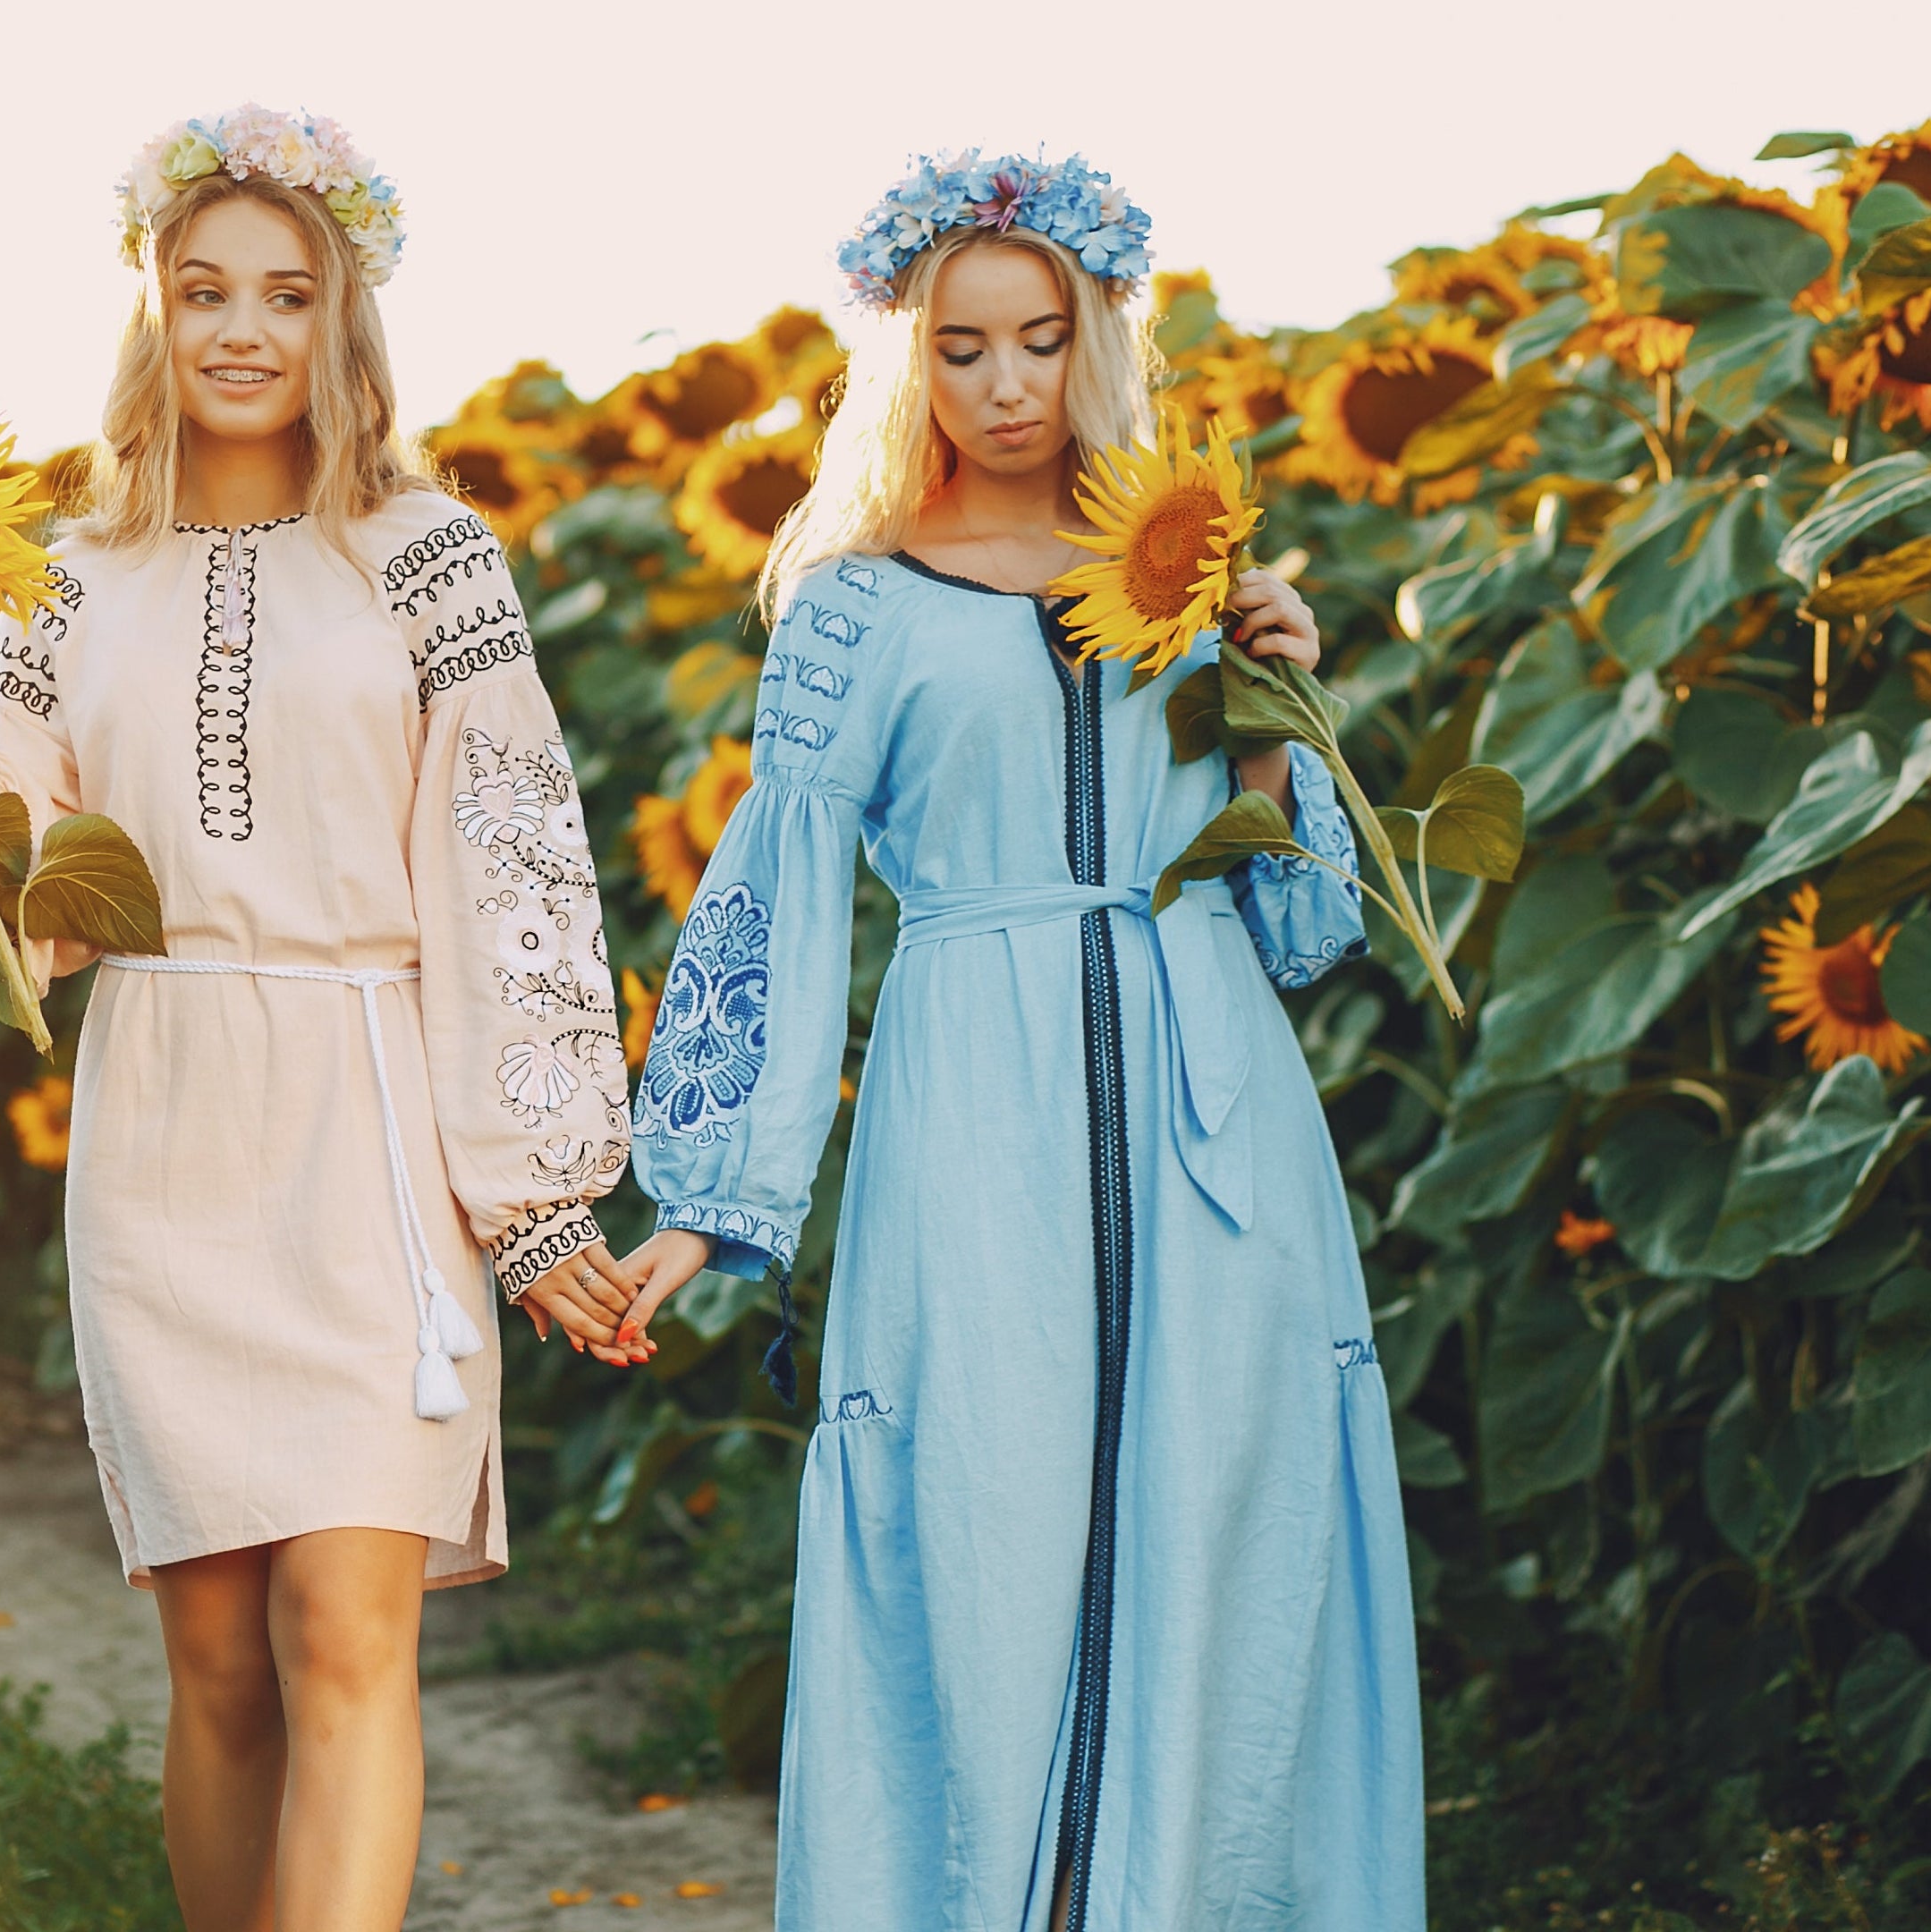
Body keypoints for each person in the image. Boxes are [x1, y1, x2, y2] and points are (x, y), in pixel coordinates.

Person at [0, 106, 645, 1931]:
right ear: (152, 307)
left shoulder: (429, 553)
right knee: (216, 1663)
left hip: (373, 1136)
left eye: (288, 293)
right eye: (204, 290)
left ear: (343, 315)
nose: (244, 330)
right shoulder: (68, 573)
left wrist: (532, 1201)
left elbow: (510, 859)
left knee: (346, 1631)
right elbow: (0, 922)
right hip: (165, 1134)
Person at [615, 150, 1426, 1929]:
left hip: (1219, 1104)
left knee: (1232, 1516)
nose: (1002, 388)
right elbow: (787, 890)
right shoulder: (853, 603)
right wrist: (709, 1199)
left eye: (1038, 343)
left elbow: (1297, 933)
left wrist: (1280, 724)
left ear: (1094, 345)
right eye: (961, 348)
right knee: (977, 1514)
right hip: (970, 1104)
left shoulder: (1187, 565)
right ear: (909, 359)